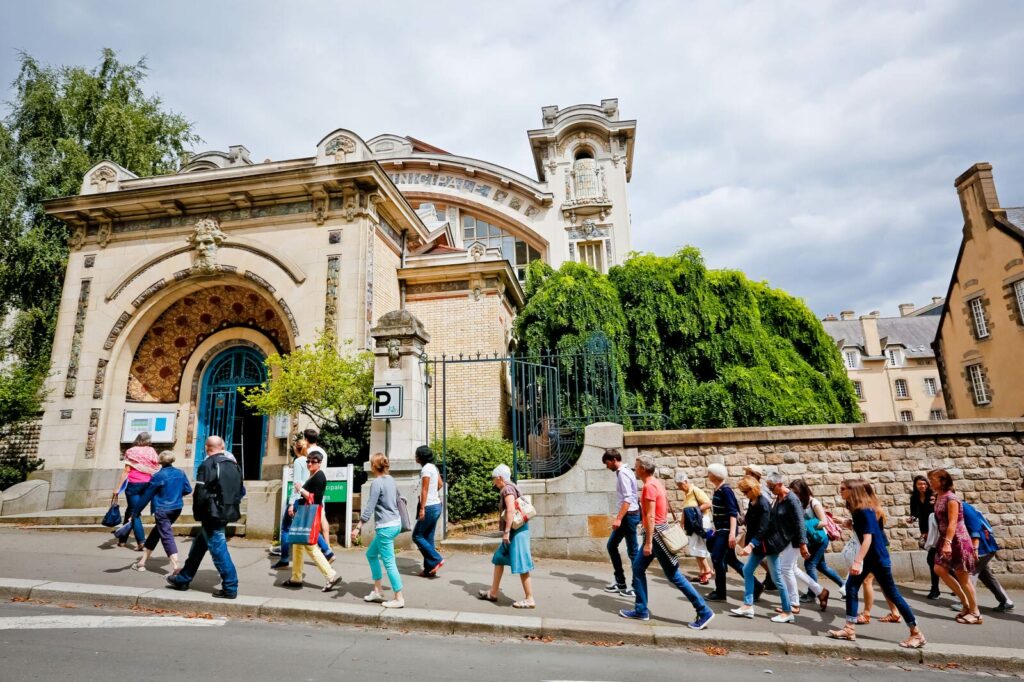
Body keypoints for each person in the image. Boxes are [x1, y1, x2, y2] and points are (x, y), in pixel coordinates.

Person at [618, 455, 714, 629]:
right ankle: (641, 610)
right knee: (638, 568)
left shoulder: (648, 486)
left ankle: (704, 610)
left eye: (636, 465)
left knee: (675, 575)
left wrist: (648, 543)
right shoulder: (656, 483)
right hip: (657, 534)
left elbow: (651, 516)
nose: (635, 468)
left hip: (656, 536)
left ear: (643, 469)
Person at [827, 481, 926, 649]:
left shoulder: (865, 510)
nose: (840, 491)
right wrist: (847, 523)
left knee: (892, 593)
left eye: (843, 489)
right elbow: (864, 529)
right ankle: (849, 628)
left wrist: (857, 561)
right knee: (851, 588)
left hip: (878, 559)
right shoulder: (859, 510)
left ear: (853, 491)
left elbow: (868, 538)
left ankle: (917, 633)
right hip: (870, 558)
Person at [166, 436, 243, 599]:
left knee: (218, 547)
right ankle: (183, 578)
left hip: (212, 512)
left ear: (207, 448)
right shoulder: (234, 465)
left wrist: (198, 513)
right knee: (200, 543)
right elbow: (241, 490)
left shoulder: (207, 464)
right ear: (223, 446)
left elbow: (200, 493)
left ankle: (230, 585)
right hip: (228, 510)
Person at [764, 472, 829, 619]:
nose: (770, 490)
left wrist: (803, 544)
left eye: (771, 487)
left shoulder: (792, 500)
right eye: (768, 487)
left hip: (794, 540)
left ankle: (794, 604)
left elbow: (800, 523)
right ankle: (820, 591)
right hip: (785, 539)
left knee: (785, 568)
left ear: (780, 484)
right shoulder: (779, 498)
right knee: (792, 569)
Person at [477, 463, 536, 608]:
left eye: (494, 479)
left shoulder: (507, 489)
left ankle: (529, 599)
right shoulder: (513, 486)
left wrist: (507, 532)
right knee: (499, 558)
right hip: (517, 530)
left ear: (500, 478)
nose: (493, 483)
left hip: (516, 532)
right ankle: (493, 592)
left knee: (522, 565)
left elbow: (510, 510)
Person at [282, 450, 341, 592]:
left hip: (310, 514)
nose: (309, 463)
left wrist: (300, 489)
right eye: (308, 461)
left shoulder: (319, 477)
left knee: (310, 545)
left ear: (319, 463)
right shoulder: (313, 475)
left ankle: (331, 575)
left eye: (313, 461)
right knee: (297, 543)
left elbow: (314, 499)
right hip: (304, 512)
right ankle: (296, 577)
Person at [272, 437, 333, 570]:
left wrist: (292, 503)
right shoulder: (309, 462)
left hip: (301, 499)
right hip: (309, 500)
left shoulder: (300, 461)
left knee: (286, 528)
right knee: (308, 528)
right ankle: (326, 551)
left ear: (296, 448)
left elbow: (297, 484)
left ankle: (284, 558)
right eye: (309, 462)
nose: (309, 463)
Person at [352, 453, 405, 608]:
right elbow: (398, 499)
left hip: (385, 527)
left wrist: (358, 527)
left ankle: (399, 597)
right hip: (395, 523)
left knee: (389, 563)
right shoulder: (391, 480)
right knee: (371, 554)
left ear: (373, 466)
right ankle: (377, 590)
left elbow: (370, 506)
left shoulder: (376, 483)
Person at [928, 468, 980, 624]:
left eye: (933, 479)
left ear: (943, 481)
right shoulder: (939, 497)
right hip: (946, 539)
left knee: (963, 576)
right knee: (939, 569)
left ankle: (976, 612)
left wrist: (948, 543)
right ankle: (965, 604)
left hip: (957, 540)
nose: (930, 482)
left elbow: (953, 522)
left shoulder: (951, 498)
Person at [130, 450, 192, 573]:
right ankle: (142, 562)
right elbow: (188, 489)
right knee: (156, 532)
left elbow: (146, 496)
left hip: (162, 509)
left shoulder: (158, 476)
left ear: (160, 462)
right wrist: (177, 494)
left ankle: (176, 567)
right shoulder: (180, 473)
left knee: (166, 535)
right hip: (177, 508)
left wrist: (135, 512)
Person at [790, 479, 844, 602]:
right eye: (792, 492)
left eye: (796, 492)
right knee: (822, 566)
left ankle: (812, 594)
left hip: (820, 539)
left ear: (803, 491)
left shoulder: (814, 502)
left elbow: (824, 522)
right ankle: (844, 585)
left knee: (810, 565)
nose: (794, 495)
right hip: (811, 539)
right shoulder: (799, 503)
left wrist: (807, 524)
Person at [731, 476, 773, 618]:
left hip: (764, 544)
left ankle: (790, 608)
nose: (744, 494)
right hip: (757, 544)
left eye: (745, 491)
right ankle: (748, 606)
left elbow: (764, 528)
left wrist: (750, 545)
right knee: (748, 571)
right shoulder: (752, 501)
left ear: (752, 489)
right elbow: (749, 519)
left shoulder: (763, 504)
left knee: (779, 576)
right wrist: (741, 518)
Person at [961, 502, 1014, 612]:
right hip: (982, 547)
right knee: (986, 576)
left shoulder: (963, 507)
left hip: (982, 548)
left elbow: (975, 528)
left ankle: (968, 604)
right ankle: (1006, 601)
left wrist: (975, 548)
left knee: (970, 573)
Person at [112, 432, 160, 550]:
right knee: (130, 510)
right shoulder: (152, 451)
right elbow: (156, 468)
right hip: (148, 484)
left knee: (135, 513)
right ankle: (122, 540)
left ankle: (141, 541)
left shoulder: (131, 451)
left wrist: (118, 488)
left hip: (134, 484)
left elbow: (126, 471)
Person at [706, 463, 746, 601]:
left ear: (716, 476)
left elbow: (732, 513)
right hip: (721, 531)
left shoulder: (725, 490)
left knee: (717, 559)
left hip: (726, 532)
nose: (708, 475)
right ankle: (757, 586)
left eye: (710, 473)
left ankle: (720, 593)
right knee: (731, 560)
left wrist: (731, 534)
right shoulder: (718, 490)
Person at [602, 448, 639, 596]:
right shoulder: (626, 471)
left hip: (628, 517)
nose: (607, 466)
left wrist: (618, 518)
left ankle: (636, 586)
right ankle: (621, 582)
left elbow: (628, 498)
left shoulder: (623, 473)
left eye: (607, 463)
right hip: (629, 516)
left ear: (614, 460)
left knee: (633, 552)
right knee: (612, 546)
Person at [411, 445, 445, 577]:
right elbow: (440, 484)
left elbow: (424, 489)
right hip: (437, 505)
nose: (415, 457)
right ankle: (429, 569)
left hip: (429, 507)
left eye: (416, 455)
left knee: (417, 536)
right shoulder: (434, 468)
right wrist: (433, 493)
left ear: (421, 457)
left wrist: (422, 508)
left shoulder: (425, 469)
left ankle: (437, 559)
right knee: (428, 537)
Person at [675, 472, 713, 585]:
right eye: (678, 486)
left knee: (698, 547)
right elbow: (685, 511)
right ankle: (702, 571)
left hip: (700, 523)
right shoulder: (687, 494)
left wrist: (695, 511)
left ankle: (707, 571)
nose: (680, 488)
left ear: (686, 482)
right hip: (692, 524)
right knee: (694, 547)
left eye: (681, 485)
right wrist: (681, 525)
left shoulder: (695, 490)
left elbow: (708, 503)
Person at [908, 475, 941, 599]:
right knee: (935, 560)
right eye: (919, 484)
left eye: (924, 484)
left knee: (932, 559)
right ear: (915, 486)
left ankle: (935, 589)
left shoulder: (933, 495)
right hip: (926, 531)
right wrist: (912, 519)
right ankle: (956, 584)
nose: (922, 486)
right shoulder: (914, 498)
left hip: (937, 531)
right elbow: (915, 514)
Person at [303, 428, 333, 558]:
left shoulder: (308, 453)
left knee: (316, 517)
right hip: (321, 484)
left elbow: (307, 470)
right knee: (322, 515)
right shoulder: (323, 452)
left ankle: (326, 549)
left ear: (306, 439)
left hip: (310, 486)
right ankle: (327, 546)